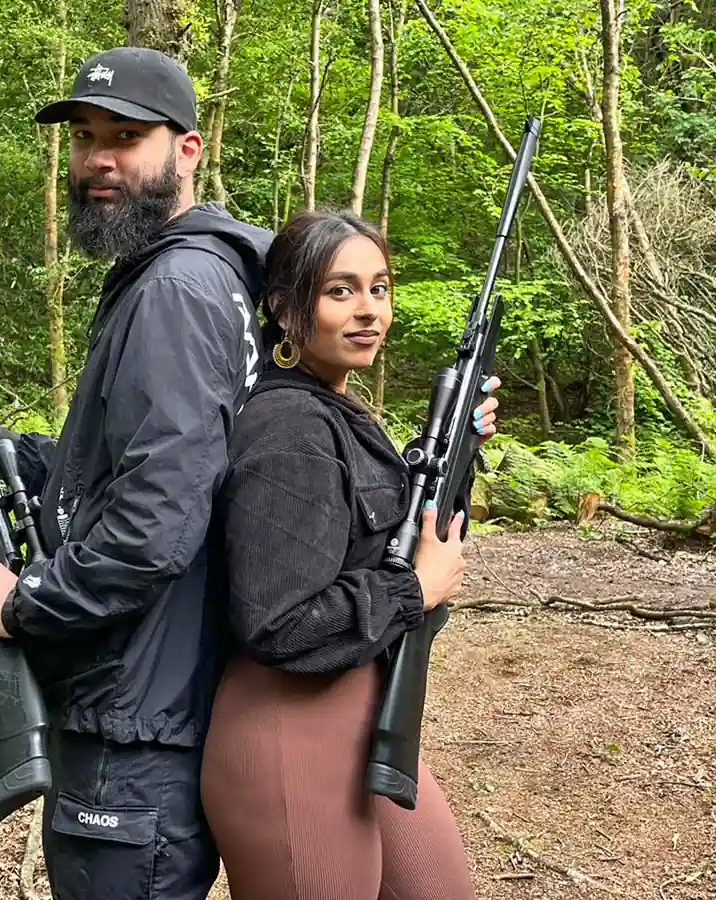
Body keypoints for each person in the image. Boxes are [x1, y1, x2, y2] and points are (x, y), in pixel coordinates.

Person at [0, 47, 271, 900]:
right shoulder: (204, 276)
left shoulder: (175, 291)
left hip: (132, 719)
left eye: (126, 137)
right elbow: (139, 463)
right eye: (84, 138)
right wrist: (14, 448)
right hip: (160, 697)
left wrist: (22, 605)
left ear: (187, 150)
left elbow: (154, 522)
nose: (98, 160)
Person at [200, 210, 501, 900]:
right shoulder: (287, 431)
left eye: (380, 288)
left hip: (365, 716)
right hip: (290, 736)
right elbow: (277, 623)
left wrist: (462, 455)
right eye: (340, 291)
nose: (368, 310)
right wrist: (412, 592)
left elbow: (398, 537)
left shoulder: (341, 412)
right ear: (284, 308)